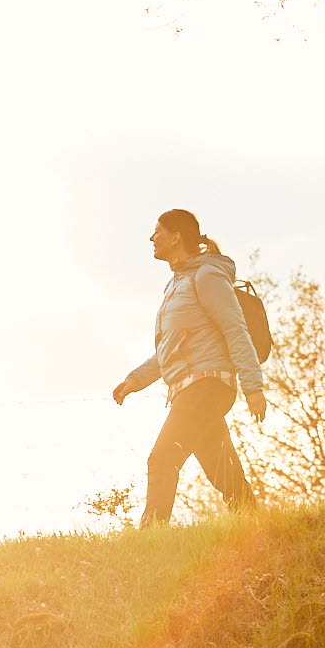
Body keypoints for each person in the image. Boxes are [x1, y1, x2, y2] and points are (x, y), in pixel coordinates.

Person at [112, 208, 266, 526]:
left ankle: (151, 537)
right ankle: (257, 525)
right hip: (188, 387)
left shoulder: (207, 276)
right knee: (223, 471)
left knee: (163, 458)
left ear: (176, 236)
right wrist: (135, 380)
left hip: (208, 384)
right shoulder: (175, 285)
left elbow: (235, 329)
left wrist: (253, 387)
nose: (151, 238)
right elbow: (169, 349)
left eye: (157, 231)